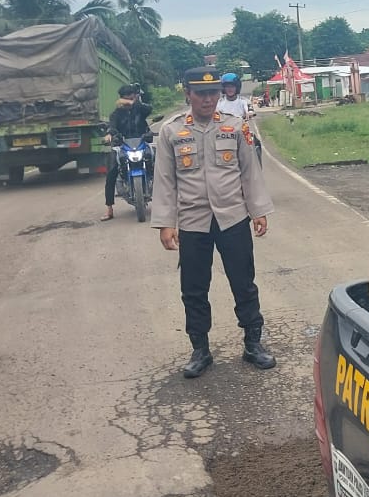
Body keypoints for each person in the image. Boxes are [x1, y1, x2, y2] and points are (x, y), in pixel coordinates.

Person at [151, 67, 276, 378]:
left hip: (232, 218)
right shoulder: (171, 131)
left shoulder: (236, 127)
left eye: (213, 93)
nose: (208, 99)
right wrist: (166, 223)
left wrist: (258, 210)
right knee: (193, 288)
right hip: (193, 223)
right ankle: (200, 349)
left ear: (221, 93)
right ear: (188, 94)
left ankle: (253, 343)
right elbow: (164, 181)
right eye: (200, 93)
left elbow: (250, 172)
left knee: (243, 282)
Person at [101, 83, 154, 221]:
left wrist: (134, 102)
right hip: (123, 146)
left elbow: (149, 109)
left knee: (162, 163)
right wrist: (110, 135)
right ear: (121, 99)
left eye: (132, 97)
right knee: (112, 171)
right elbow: (111, 127)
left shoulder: (140, 110)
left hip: (141, 144)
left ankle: (172, 200)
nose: (129, 101)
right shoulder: (116, 114)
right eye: (127, 98)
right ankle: (109, 209)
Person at [218, 72, 262, 163]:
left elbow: (250, 110)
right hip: (224, 134)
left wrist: (249, 114)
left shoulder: (244, 101)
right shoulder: (219, 103)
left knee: (254, 143)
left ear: (237, 87)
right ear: (223, 88)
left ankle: (255, 168)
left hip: (242, 131)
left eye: (232, 86)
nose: (230, 89)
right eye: (227, 86)